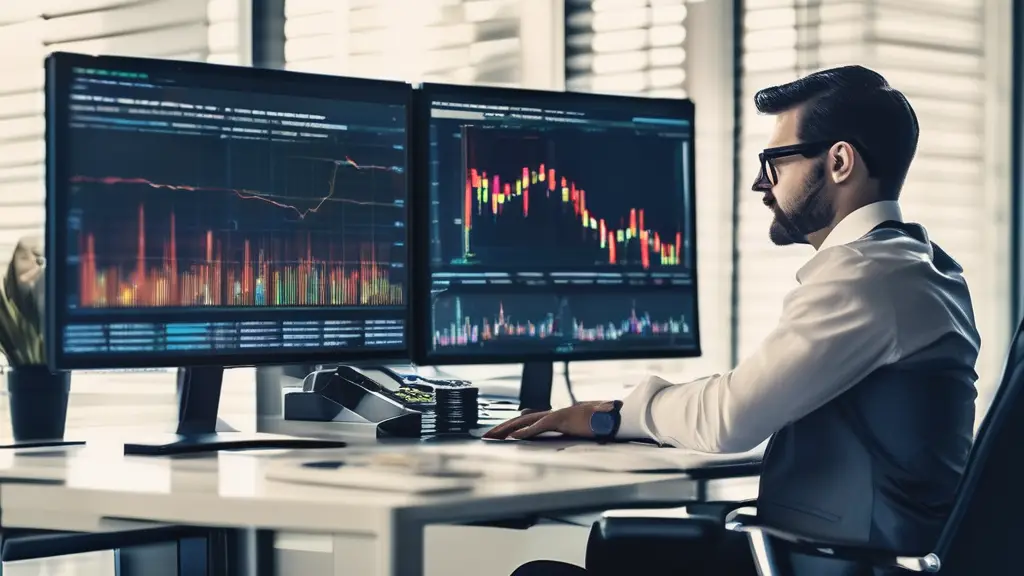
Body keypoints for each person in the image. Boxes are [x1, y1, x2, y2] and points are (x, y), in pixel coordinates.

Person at [487, 65, 980, 576]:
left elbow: (730, 416)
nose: (758, 183)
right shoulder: (917, 264)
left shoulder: (870, 277)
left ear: (838, 162)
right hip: (844, 554)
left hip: (845, 564)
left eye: (775, 162)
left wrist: (611, 415)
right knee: (609, 547)